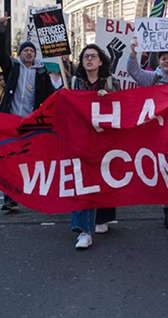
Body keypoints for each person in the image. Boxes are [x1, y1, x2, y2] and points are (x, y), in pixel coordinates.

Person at [0, 14, 56, 211]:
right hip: (10, 121)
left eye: (31, 51)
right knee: (9, 159)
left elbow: (51, 97)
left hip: (30, 123)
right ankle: (9, 198)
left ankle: (34, 194)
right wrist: (1, 29)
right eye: (25, 50)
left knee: (30, 159)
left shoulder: (41, 73)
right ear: (20, 53)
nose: (28, 53)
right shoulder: (12, 67)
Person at [127, 39, 168, 233]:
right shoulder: (152, 77)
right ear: (159, 61)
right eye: (163, 59)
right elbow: (133, 72)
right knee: (164, 171)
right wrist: (133, 53)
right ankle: (167, 209)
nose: (167, 62)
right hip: (160, 133)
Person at [69, 44, 121, 250]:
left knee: (104, 179)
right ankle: (83, 231)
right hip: (80, 139)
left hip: (104, 140)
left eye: (93, 56)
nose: (89, 59)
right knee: (82, 182)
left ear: (101, 61)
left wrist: (108, 96)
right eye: (85, 56)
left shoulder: (111, 81)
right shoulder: (74, 82)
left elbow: (122, 106)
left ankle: (103, 217)